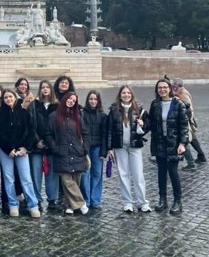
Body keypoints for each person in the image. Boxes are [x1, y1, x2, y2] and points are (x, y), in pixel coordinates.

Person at [0, 89, 40, 218]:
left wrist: (25, 147)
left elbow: (30, 131)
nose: (8, 99)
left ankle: (33, 205)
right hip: (5, 150)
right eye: (6, 97)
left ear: (15, 97)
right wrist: (8, 149)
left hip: (22, 150)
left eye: (10, 96)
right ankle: (13, 204)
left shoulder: (23, 112)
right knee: (9, 179)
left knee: (26, 178)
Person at [106, 85, 151, 214]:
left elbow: (149, 125)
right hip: (119, 146)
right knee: (123, 174)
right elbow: (109, 130)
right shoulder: (114, 110)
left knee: (138, 174)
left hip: (134, 145)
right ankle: (127, 202)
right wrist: (109, 148)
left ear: (132, 95)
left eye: (128, 93)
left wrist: (143, 125)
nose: (126, 95)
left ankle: (142, 202)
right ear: (120, 95)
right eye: (123, 93)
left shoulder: (139, 109)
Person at [148, 78, 189, 215]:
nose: (162, 90)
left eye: (165, 87)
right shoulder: (155, 104)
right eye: (160, 88)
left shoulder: (178, 104)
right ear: (157, 90)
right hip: (159, 142)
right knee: (161, 172)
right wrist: (141, 125)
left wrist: (182, 143)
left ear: (170, 88)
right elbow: (151, 123)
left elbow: (184, 126)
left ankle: (178, 201)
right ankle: (162, 199)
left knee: (173, 172)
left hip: (174, 143)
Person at [45, 91, 89, 216]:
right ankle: (81, 203)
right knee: (67, 181)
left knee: (75, 180)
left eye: (74, 101)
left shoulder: (77, 117)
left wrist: (84, 148)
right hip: (61, 153)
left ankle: (69, 206)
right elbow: (48, 134)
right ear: (65, 99)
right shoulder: (54, 116)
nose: (71, 101)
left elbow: (85, 133)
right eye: (70, 99)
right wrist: (55, 148)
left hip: (76, 153)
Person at [28, 80, 60, 209]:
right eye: (43, 87)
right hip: (37, 145)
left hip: (52, 145)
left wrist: (50, 142)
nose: (45, 89)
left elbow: (59, 126)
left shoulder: (57, 106)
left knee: (52, 174)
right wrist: (37, 141)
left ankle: (52, 199)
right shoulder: (34, 105)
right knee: (36, 173)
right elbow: (30, 124)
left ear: (51, 90)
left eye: (47, 87)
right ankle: (37, 198)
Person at [80, 90, 107, 209]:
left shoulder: (103, 115)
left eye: (95, 99)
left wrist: (104, 151)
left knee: (97, 173)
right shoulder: (82, 114)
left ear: (98, 101)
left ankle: (95, 199)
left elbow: (105, 134)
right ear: (87, 100)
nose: (93, 101)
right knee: (85, 173)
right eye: (91, 99)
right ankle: (86, 199)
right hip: (85, 147)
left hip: (97, 147)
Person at [171, 78, 207, 165]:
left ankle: (191, 161)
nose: (172, 88)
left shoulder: (184, 94)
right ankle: (201, 156)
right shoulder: (180, 93)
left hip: (186, 121)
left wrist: (188, 121)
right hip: (187, 120)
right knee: (193, 139)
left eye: (174, 86)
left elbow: (189, 109)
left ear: (177, 86)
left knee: (186, 140)